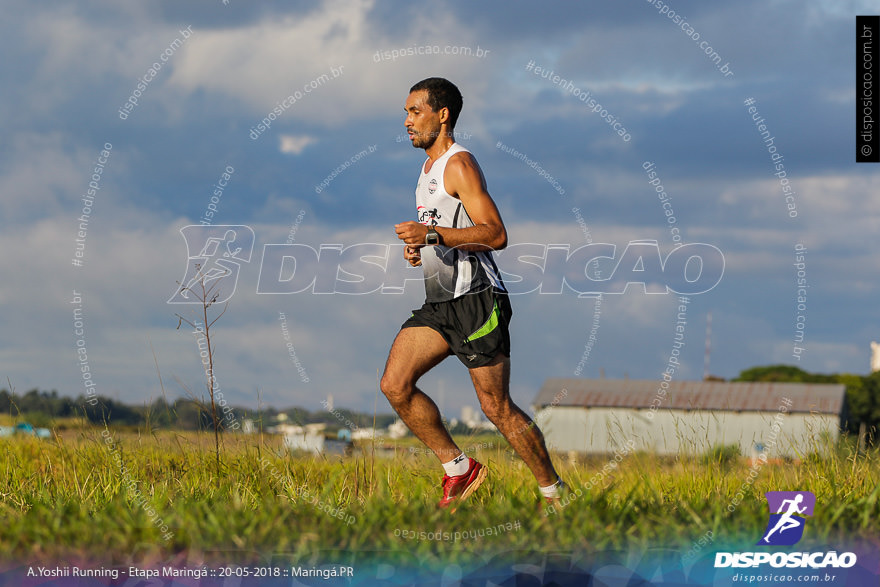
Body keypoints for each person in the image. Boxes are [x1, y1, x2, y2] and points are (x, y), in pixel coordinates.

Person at [380, 77, 563, 510]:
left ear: (442, 115)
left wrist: (433, 233)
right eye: (406, 113)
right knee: (395, 385)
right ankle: (459, 468)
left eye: (415, 112)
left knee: (496, 407)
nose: (407, 121)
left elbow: (496, 235)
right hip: (441, 301)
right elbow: (445, 236)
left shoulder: (460, 165)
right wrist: (424, 246)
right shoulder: (425, 170)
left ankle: (556, 497)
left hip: (479, 300)